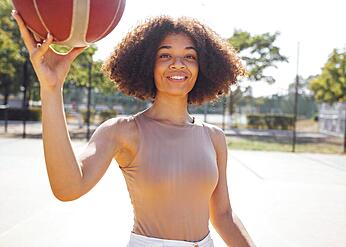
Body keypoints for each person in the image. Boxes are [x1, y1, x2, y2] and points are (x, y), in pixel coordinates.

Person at [12, 10, 256, 247]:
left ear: (202, 66)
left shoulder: (214, 138)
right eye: (165, 55)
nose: (178, 64)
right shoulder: (123, 131)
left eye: (189, 56)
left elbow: (223, 215)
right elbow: (68, 189)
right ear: (147, 63)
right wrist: (52, 89)